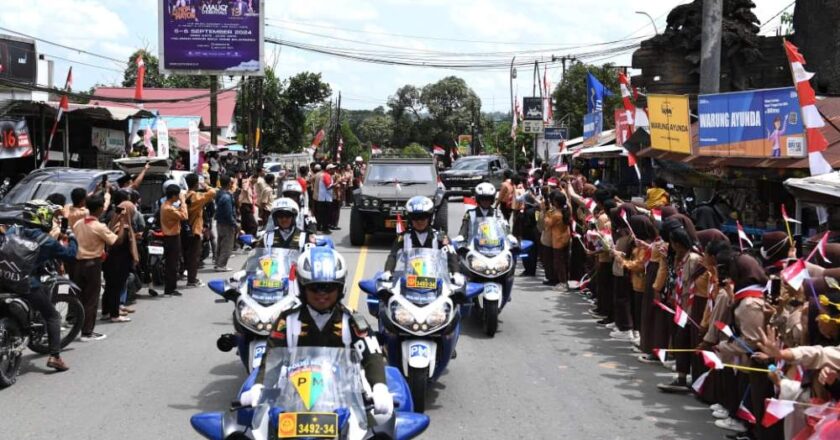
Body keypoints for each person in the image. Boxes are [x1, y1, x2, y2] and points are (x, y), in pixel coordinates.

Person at [242, 247, 394, 423]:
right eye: (314, 288)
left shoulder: (352, 320)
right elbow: (271, 358)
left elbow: (371, 356)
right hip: (292, 396)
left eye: (329, 288)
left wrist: (380, 387)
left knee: (380, 427)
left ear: (340, 288)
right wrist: (259, 386)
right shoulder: (287, 319)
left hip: (345, 396)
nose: (322, 294)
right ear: (302, 287)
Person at [7, 201, 78, 370]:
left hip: (4, 280)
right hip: (27, 284)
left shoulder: (12, 230)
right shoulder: (47, 241)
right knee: (52, 316)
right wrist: (72, 237)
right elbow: (70, 254)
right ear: (42, 217)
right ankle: (55, 357)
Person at [72, 194, 121, 342]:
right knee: (91, 299)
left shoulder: (78, 224)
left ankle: (77, 328)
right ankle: (87, 332)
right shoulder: (99, 226)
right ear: (100, 209)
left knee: (79, 298)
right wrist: (122, 223)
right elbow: (114, 241)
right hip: (93, 264)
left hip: (78, 263)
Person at [384, 196, 458, 275]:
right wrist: (388, 271)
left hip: (436, 278)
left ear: (429, 218)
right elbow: (393, 255)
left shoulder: (440, 235)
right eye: (415, 218)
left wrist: (456, 273)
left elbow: (451, 254)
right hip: (408, 279)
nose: (419, 221)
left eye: (423, 217)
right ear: (410, 219)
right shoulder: (403, 237)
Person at [101, 201, 139, 323]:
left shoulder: (112, 224)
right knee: (115, 288)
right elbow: (119, 241)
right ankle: (114, 314)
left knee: (110, 288)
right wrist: (123, 222)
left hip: (111, 262)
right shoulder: (121, 227)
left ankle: (106, 312)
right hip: (118, 262)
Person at [184, 173, 217, 288]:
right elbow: (213, 192)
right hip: (194, 230)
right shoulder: (196, 197)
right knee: (194, 256)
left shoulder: (185, 195)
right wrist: (205, 185)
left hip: (185, 230)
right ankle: (191, 281)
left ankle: (191, 277)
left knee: (189, 255)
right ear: (196, 183)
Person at [160, 184, 188, 296]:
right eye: (177, 195)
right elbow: (184, 216)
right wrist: (183, 202)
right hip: (171, 237)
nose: (178, 197)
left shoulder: (166, 205)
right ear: (173, 196)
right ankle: (169, 288)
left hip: (172, 237)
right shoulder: (168, 208)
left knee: (173, 263)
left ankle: (171, 287)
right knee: (172, 264)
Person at [214, 175, 237, 271]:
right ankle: (221, 265)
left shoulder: (219, 193)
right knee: (227, 246)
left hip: (220, 222)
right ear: (229, 184)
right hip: (227, 224)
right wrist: (235, 224)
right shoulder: (227, 197)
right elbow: (228, 213)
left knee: (220, 243)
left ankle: (218, 263)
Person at [315, 164, 335, 233]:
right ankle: (324, 228)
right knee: (325, 214)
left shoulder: (326, 175)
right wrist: (336, 183)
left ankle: (320, 227)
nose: (334, 170)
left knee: (322, 214)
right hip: (325, 198)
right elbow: (328, 186)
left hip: (324, 198)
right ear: (329, 169)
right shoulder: (326, 175)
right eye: (332, 169)